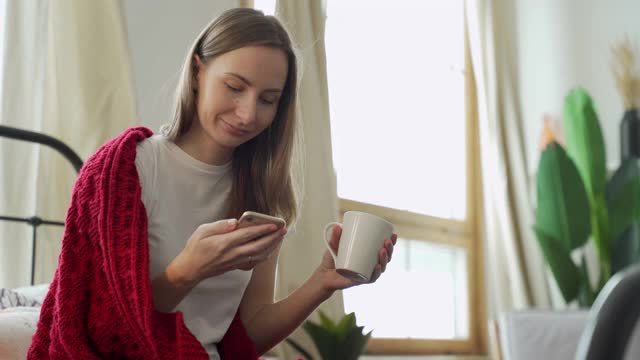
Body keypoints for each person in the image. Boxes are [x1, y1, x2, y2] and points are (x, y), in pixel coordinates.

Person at [30, 7, 397, 360]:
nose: (249, 113)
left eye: (268, 100)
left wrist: (322, 282)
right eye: (235, 87)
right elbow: (100, 326)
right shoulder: (126, 171)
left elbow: (247, 336)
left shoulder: (260, 194)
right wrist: (187, 271)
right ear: (196, 73)